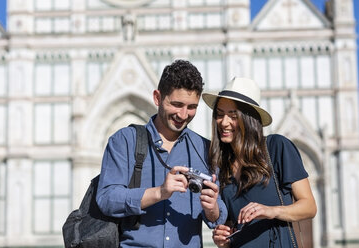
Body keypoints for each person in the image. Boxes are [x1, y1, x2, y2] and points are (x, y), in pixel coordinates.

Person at [96, 59, 227, 247]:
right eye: (176, 104)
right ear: (157, 98)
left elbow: (217, 218)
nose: (183, 115)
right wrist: (159, 192)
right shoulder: (125, 140)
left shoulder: (205, 149)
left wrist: (212, 207)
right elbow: (107, 198)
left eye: (191, 107)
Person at [202, 77, 317, 247]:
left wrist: (271, 211)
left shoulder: (277, 147)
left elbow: (309, 207)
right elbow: (231, 226)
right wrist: (223, 239)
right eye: (219, 115)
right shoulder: (220, 164)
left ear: (249, 118)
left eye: (233, 115)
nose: (224, 122)